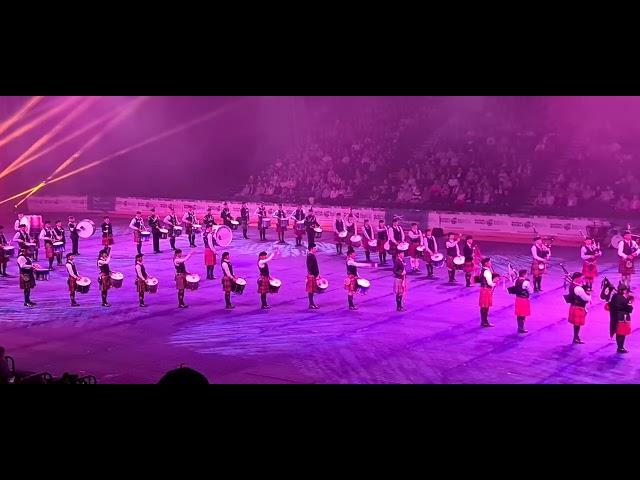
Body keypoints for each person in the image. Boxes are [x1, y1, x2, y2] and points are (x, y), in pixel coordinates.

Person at [344, 246, 376, 310]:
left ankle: (352, 304)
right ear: (350, 254)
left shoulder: (351, 260)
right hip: (351, 278)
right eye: (354, 253)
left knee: (352, 291)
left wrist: (359, 277)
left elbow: (355, 270)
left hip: (354, 277)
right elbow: (358, 265)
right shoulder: (350, 261)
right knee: (351, 292)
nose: (355, 254)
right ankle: (351, 305)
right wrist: (368, 265)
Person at [567, 272, 591, 344]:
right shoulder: (578, 289)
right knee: (577, 324)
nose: (582, 279)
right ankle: (576, 338)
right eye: (581, 278)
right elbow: (587, 298)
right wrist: (589, 294)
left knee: (576, 324)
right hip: (578, 307)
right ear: (577, 278)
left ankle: (576, 337)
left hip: (573, 306)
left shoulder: (572, 285)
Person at [609, 286, 633, 353]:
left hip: (616, 317)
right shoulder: (623, 298)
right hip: (623, 318)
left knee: (618, 333)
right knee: (622, 333)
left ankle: (619, 347)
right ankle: (620, 348)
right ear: (623, 291)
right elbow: (630, 309)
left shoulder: (615, 297)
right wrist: (630, 303)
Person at [479, 258, 500, 327]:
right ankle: (485, 322)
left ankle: (483, 321)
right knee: (486, 306)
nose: (490, 263)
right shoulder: (487, 272)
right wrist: (494, 283)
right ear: (486, 263)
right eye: (489, 262)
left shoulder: (483, 270)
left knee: (483, 306)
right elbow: (490, 283)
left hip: (483, 289)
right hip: (486, 290)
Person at [510, 269, 533, 333]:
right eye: (526, 274)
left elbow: (514, 288)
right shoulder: (526, 282)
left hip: (517, 299)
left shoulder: (515, 281)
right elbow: (531, 291)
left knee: (519, 314)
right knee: (523, 314)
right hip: (524, 300)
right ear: (524, 274)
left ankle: (520, 327)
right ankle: (521, 328)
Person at [306, 243, 321, 309]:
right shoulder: (310, 256)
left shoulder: (312, 255)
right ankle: (311, 304)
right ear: (311, 249)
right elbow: (309, 267)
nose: (316, 249)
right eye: (315, 248)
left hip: (314, 274)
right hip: (312, 275)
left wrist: (318, 274)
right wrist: (312, 275)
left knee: (312, 290)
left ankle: (312, 303)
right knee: (311, 290)